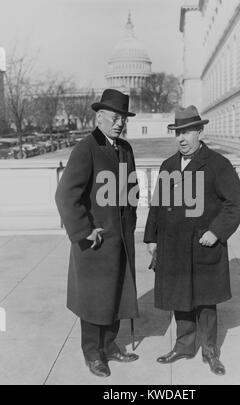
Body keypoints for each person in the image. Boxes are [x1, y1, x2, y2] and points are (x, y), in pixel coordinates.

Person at [144, 105, 240, 376]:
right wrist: (151, 238)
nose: (182, 138)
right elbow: (157, 205)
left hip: (202, 245)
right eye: (178, 132)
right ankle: (183, 345)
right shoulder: (168, 165)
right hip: (173, 246)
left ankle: (210, 350)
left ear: (200, 131)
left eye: (188, 131)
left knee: (205, 301)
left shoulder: (217, 164)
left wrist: (217, 231)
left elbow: (236, 203)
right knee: (180, 298)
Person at [55, 89, 139, 378]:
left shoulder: (125, 149)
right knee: (93, 301)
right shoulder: (85, 148)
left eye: (123, 119)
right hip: (95, 242)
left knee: (116, 295)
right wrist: (84, 231)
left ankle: (110, 344)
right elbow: (66, 196)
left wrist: (131, 221)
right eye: (115, 118)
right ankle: (93, 354)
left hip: (120, 240)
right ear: (99, 117)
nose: (119, 124)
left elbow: (132, 190)